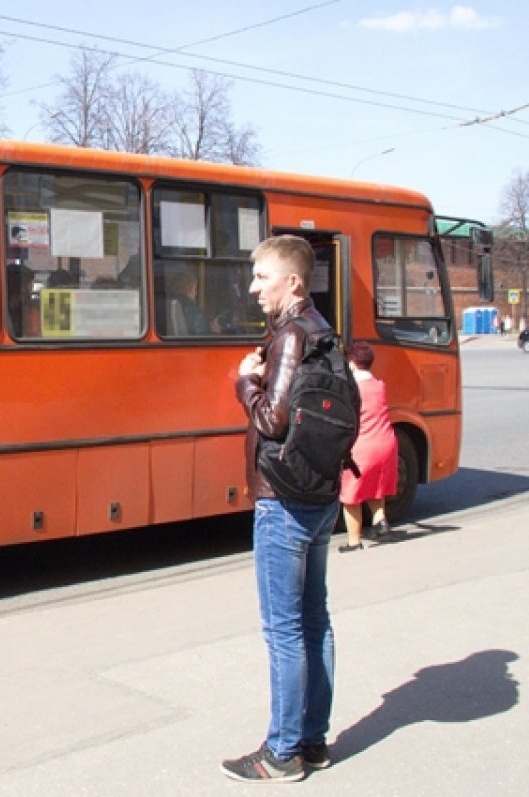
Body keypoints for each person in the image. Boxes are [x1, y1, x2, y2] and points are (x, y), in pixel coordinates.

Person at [223, 235, 339, 783]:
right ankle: (312, 741)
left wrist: (245, 382)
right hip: (320, 494)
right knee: (314, 621)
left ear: (292, 280)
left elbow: (271, 421)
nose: (253, 287)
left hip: (284, 500)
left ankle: (282, 752)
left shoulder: (291, 334)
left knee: (285, 629)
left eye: (262, 276)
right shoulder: (322, 329)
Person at [338, 341, 397, 552]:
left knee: (351, 496)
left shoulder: (351, 389)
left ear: (352, 362)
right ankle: (380, 522)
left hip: (363, 446)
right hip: (387, 442)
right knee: (375, 486)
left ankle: (354, 542)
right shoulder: (379, 385)